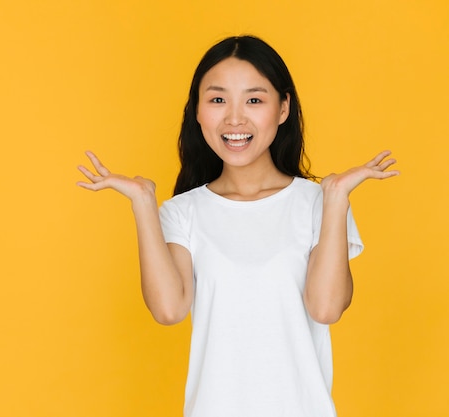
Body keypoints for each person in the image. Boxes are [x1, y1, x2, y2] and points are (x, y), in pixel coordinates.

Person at [76, 35, 398, 417]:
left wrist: (337, 198)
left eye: (254, 100)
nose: (234, 118)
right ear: (197, 111)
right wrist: (144, 202)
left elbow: (326, 308)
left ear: (283, 108)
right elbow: (169, 310)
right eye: (217, 99)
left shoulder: (318, 203)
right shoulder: (182, 213)